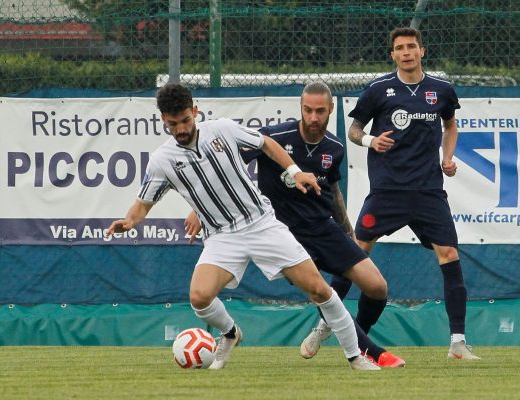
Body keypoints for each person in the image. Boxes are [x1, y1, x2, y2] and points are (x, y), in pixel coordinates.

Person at [106, 83, 377, 370]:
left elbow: (267, 144)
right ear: (163, 121)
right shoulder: (163, 161)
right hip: (222, 236)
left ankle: (355, 357)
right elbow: (143, 204)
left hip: (260, 223)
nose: (181, 128)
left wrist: (295, 172)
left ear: (195, 111)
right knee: (199, 297)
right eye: (173, 124)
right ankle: (231, 333)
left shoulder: (222, 129)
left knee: (319, 290)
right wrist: (129, 221)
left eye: (186, 120)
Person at [238, 82, 405, 368]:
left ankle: (344, 334)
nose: (313, 117)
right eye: (307, 110)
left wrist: (349, 234)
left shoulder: (334, 147)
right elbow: (232, 166)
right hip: (283, 235)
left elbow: (334, 192)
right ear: (300, 108)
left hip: (323, 228)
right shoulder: (275, 137)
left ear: (330, 110)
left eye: (320, 111)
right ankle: (372, 352)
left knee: (377, 287)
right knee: (320, 291)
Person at [346, 27, 480, 360]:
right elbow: (354, 130)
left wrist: (448, 157)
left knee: (449, 255)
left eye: (411, 47)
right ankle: (327, 329)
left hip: (427, 191)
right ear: (392, 54)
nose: (406, 52)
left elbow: (450, 126)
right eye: (400, 48)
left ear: (422, 51)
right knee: (354, 255)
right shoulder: (378, 89)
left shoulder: (441, 90)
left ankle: (458, 344)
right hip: (387, 191)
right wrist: (370, 141)